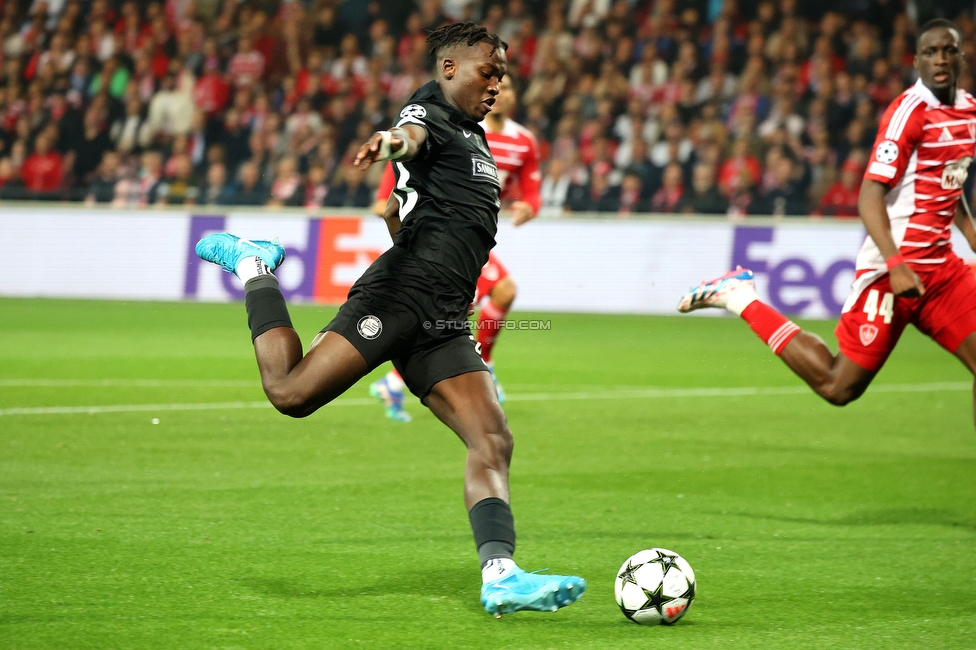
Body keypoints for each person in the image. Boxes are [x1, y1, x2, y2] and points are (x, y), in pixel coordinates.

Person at [194, 22, 585, 617]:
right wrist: (389, 143)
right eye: (488, 71)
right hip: (401, 296)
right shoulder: (428, 111)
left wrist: (404, 218)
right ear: (450, 68)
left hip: (447, 314)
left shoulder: (476, 139)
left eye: (502, 75)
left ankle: (501, 576)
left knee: (493, 438)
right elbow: (409, 136)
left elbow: (425, 203)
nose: (497, 84)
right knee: (290, 392)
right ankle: (254, 266)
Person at [678, 19, 976, 429]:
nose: (940, 59)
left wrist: (972, 235)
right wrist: (894, 263)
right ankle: (738, 296)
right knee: (839, 386)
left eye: (948, 50)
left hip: (941, 272)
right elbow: (869, 196)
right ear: (916, 61)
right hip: (893, 270)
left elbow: (949, 176)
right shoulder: (907, 114)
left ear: (962, 55)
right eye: (931, 52)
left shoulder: (968, 112)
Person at [370, 74, 542, 421]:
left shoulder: (523, 141)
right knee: (485, 299)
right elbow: (397, 183)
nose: (501, 93)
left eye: (507, 87)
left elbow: (531, 191)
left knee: (450, 313)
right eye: (496, 86)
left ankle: (395, 380)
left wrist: (528, 207)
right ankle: (472, 369)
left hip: (473, 237)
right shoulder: (454, 129)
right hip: (443, 236)